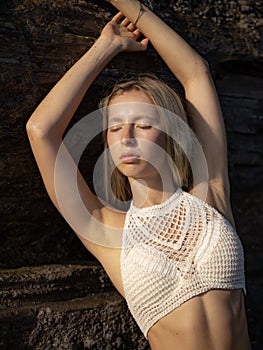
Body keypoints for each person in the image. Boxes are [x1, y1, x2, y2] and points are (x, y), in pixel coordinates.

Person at [26, 0, 251, 349]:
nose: (127, 136)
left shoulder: (211, 194)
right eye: (115, 128)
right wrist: (105, 47)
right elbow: (41, 131)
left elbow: (195, 72)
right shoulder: (104, 227)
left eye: (143, 124)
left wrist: (126, 4)